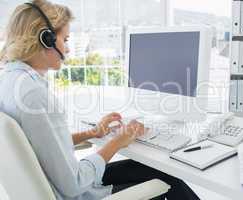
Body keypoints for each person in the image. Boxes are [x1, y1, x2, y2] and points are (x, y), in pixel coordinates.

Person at [0, 0, 200, 199]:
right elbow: (74, 183)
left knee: (152, 169)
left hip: (66, 184)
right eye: (66, 39)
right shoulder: (33, 94)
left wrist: (92, 133)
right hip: (80, 192)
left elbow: (45, 147)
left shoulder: (10, 81)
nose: (68, 49)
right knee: (169, 179)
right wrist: (118, 142)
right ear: (47, 39)